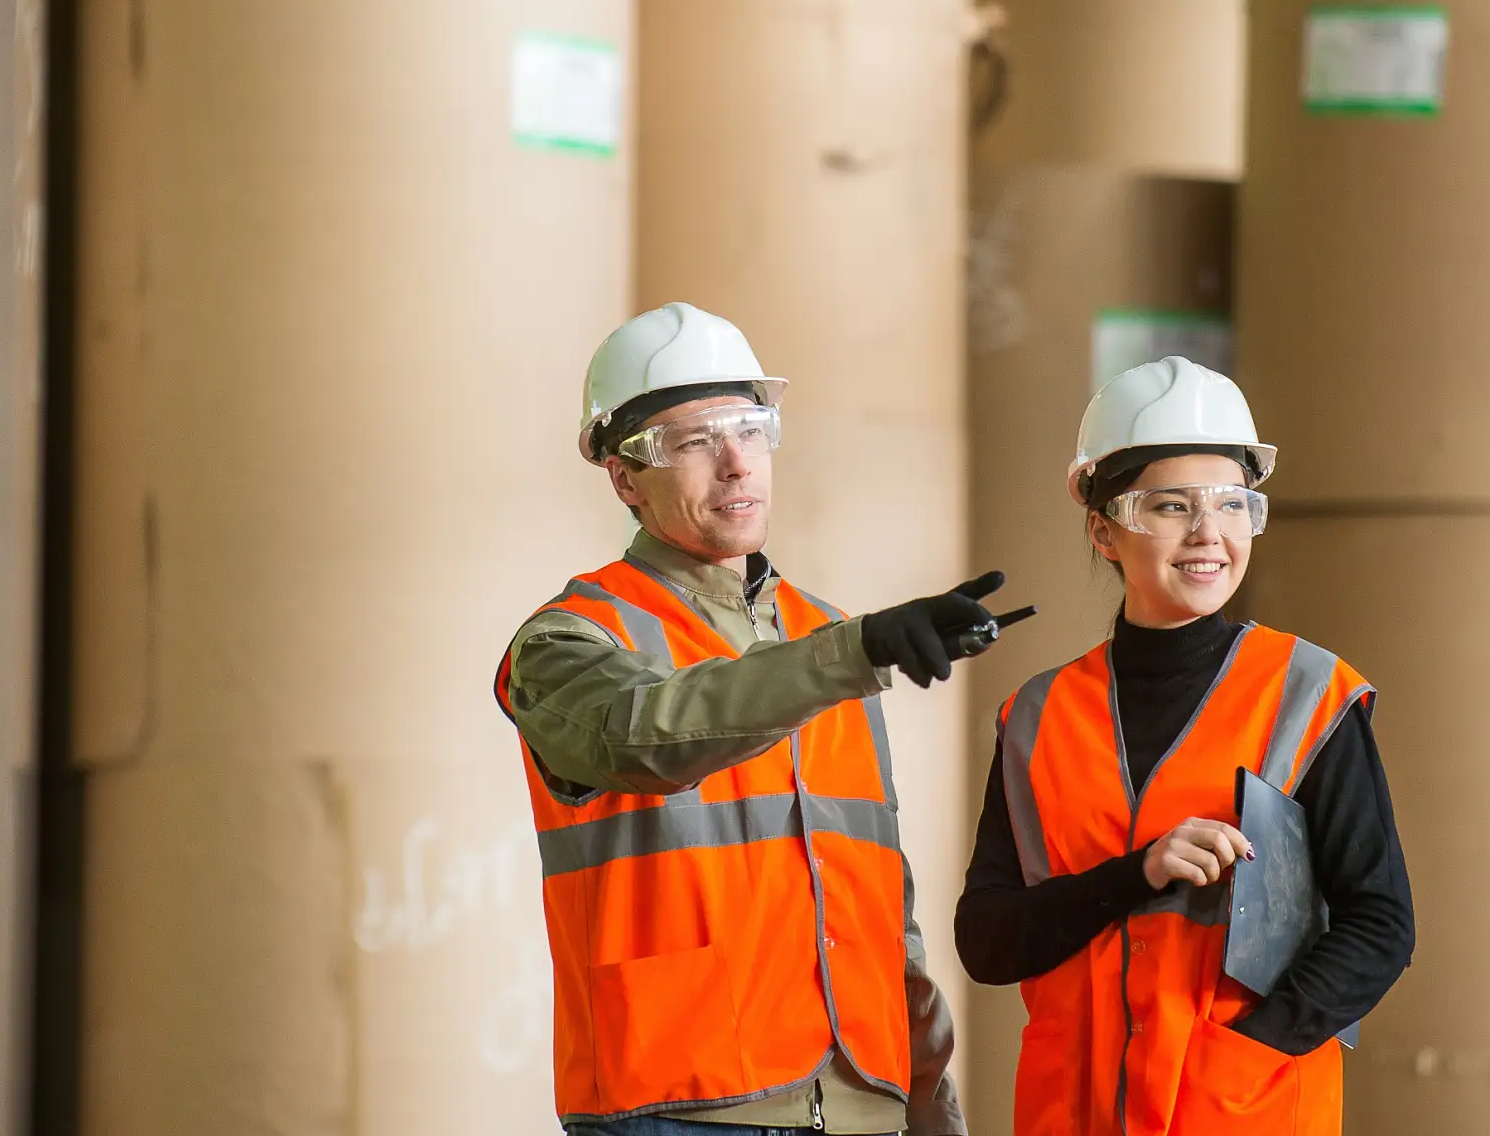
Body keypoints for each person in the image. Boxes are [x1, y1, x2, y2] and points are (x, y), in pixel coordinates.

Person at [497, 302, 1018, 1136]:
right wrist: (856, 651)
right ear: (625, 477)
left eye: (749, 427)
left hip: (860, 1099)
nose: (736, 464)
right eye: (694, 441)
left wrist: (929, 1098)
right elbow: (645, 735)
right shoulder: (571, 638)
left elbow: (880, 900)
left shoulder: (830, 633)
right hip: (680, 1101)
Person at [954, 356, 1414, 1136]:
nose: (1209, 533)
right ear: (1104, 528)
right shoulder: (1037, 717)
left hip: (1243, 1111)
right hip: (1073, 1114)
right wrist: (1137, 873)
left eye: (1233, 504)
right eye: (1172, 505)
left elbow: (1381, 924)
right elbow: (989, 942)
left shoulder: (1309, 695)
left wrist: (1243, 1054)